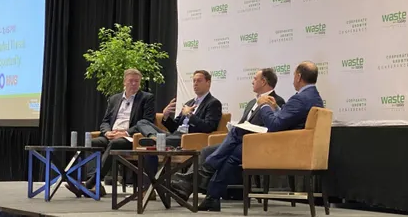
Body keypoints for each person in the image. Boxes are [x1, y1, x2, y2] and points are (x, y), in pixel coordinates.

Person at [198, 61, 324, 211]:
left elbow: (275, 125)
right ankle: (211, 194)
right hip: (291, 144)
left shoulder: (300, 99)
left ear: (298, 77)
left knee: (237, 138)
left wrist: (264, 105)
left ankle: (205, 173)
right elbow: (287, 120)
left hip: (284, 148)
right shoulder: (314, 97)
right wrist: (275, 108)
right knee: (236, 150)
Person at [171, 68, 286, 199]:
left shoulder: (276, 101)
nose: (252, 82)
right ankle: (188, 186)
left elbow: (272, 127)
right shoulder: (251, 103)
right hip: (237, 141)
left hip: (255, 145)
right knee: (206, 151)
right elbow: (243, 123)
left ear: (264, 82)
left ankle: (189, 184)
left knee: (220, 155)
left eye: (255, 79)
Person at [65, 68, 155, 197]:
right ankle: (97, 186)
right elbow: (105, 121)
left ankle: (90, 183)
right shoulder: (114, 99)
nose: (134, 84)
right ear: (124, 82)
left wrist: (126, 133)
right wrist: (107, 132)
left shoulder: (146, 98)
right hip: (111, 135)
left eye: (137, 81)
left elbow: (146, 122)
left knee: (115, 144)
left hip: (130, 138)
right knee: (91, 142)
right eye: (131, 81)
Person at [136, 70, 222, 147]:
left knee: (167, 140)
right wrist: (166, 116)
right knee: (142, 122)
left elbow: (209, 127)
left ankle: (158, 141)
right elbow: (175, 127)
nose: (195, 83)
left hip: (188, 137)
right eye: (194, 81)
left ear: (208, 83)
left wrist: (190, 115)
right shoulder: (189, 103)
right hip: (174, 135)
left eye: (199, 81)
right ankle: (153, 138)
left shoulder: (213, 103)